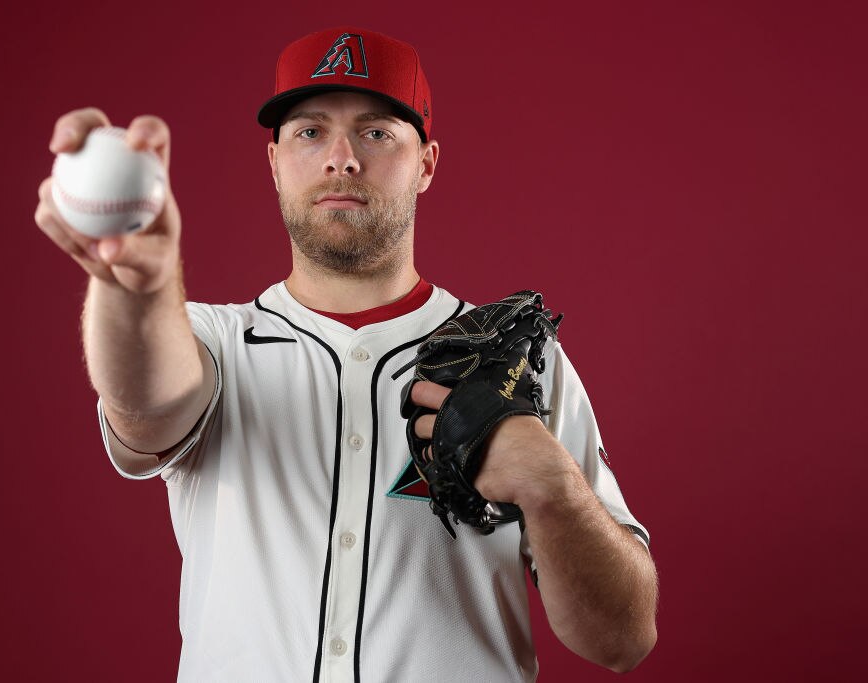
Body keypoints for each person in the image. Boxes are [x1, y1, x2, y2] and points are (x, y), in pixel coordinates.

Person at [35, 26, 658, 682]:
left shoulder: (517, 364)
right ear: (273, 161)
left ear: (426, 165)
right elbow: (145, 402)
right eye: (309, 131)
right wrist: (134, 285)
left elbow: (623, 637)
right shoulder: (213, 342)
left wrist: (553, 490)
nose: (342, 158)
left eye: (376, 131)